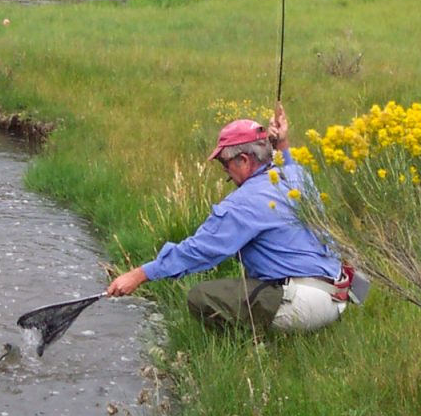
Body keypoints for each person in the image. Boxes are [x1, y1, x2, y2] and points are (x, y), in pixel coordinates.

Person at [106, 101, 348, 334]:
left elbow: (200, 250)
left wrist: (139, 275)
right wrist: (282, 142)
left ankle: (251, 348)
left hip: (305, 307)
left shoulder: (245, 203)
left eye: (225, 162)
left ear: (244, 160)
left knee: (202, 297)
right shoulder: (297, 175)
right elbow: (287, 163)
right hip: (338, 296)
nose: (225, 171)